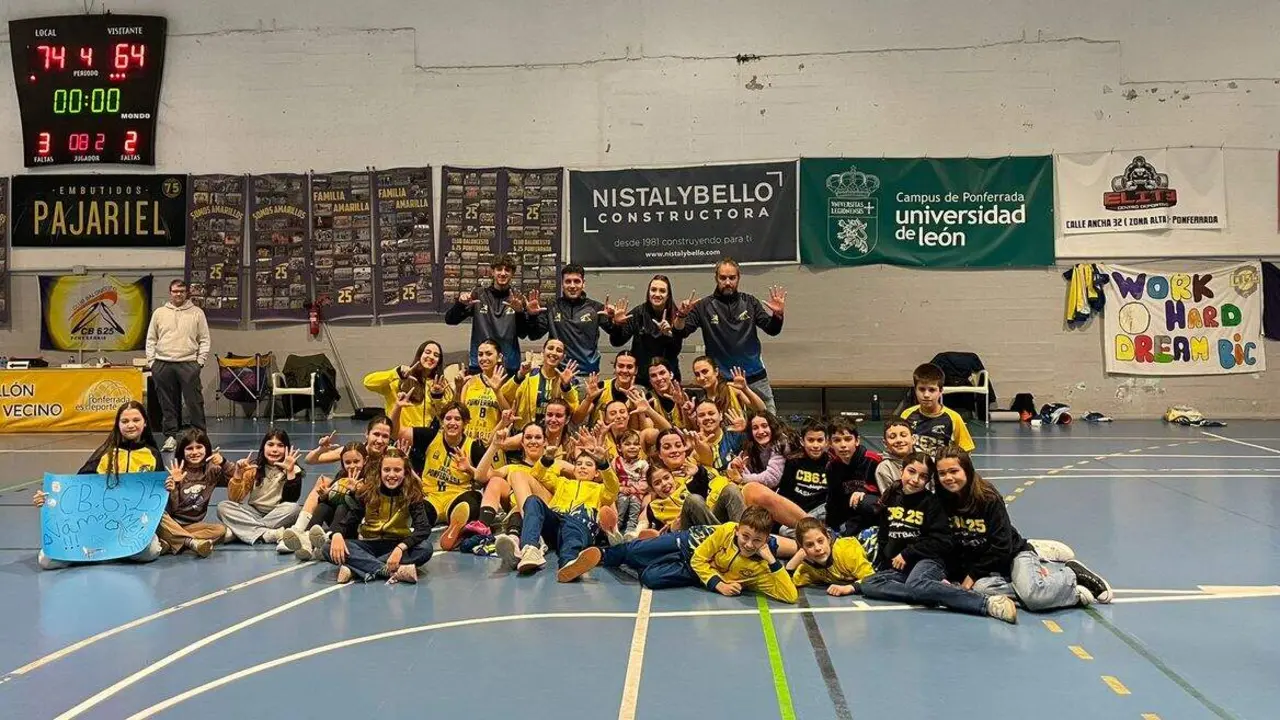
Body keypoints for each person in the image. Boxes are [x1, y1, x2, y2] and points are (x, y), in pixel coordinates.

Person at [934, 446, 1113, 609]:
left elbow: (1001, 545)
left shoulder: (988, 498)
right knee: (980, 590)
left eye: (953, 471)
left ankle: (1071, 577)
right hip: (987, 566)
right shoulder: (941, 501)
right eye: (942, 473)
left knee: (1033, 598)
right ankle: (1038, 583)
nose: (948, 478)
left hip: (1012, 553)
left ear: (967, 470)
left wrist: (972, 575)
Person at [857, 452, 1018, 623]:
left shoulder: (933, 502)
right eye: (911, 471)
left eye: (923, 476)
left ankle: (986, 603)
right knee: (869, 584)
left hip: (929, 560)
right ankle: (938, 591)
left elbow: (941, 540)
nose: (915, 479)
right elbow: (884, 534)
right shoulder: (892, 496)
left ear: (928, 480)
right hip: (904, 566)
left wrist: (909, 553)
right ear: (901, 470)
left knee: (917, 584)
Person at [30, 401, 164, 570]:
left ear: (145, 423)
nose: (131, 425)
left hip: (132, 526)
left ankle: (99, 553)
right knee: (46, 561)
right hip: (97, 525)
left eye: (136, 420)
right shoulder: (105, 453)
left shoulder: (152, 455)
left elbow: (157, 499)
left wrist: (170, 485)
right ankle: (106, 551)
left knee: (150, 552)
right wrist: (48, 499)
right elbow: (76, 489)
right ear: (117, 425)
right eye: (125, 421)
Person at [496, 434, 619, 582]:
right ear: (574, 469)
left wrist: (604, 464)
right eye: (579, 464)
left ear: (596, 473)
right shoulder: (562, 482)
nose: (582, 467)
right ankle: (530, 549)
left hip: (580, 524)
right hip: (555, 523)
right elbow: (536, 474)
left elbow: (613, 487)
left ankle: (569, 564)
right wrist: (547, 458)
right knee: (533, 501)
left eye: (588, 465)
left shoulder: (600, 490)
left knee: (572, 530)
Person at [675, 258, 786, 412]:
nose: (727, 282)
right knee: (730, 430)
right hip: (722, 383)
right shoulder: (704, 306)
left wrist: (778, 315)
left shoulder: (750, 302)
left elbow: (772, 329)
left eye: (732, 278)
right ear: (716, 278)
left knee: (768, 426)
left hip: (755, 378)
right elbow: (681, 332)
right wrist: (681, 316)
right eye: (723, 278)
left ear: (738, 278)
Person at [322, 448, 434, 584]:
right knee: (328, 547)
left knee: (425, 548)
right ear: (380, 471)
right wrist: (337, 534)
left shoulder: (412, 493)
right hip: (369, 543)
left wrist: (400, 548)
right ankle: (386, 570)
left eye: (397, 470)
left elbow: (423, 528)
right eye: (387, 470)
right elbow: (349, 520)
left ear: (405, 472)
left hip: (396, 544)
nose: (391, 475)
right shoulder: (367, 492)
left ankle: (356, 568)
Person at [146, 279, 211, 451]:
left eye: (181, 291)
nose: (178, 294)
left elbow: (204, 339)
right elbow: (151, 339)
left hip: (188, 363)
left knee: (194, 402)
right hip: (163, 363)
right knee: (167, 404)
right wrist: (152, 362)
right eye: (175, 291)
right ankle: (171, 437)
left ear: (187, 292)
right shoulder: (159, 313)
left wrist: (200, 361)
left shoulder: (197, 313)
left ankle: (200, 438)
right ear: (170, 293)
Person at [282, 442, 368, 561]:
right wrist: (325, 495)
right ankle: (307, 539)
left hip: (354, 524)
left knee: (342, 506)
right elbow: (329, 500)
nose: (352, 465)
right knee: (323, 505)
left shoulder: (368, 478)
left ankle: (328, 542)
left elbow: (365, 506)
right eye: (347, 462)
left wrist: (355, 492)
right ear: (342, 463)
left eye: (356, 461)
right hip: (338, 521)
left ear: (365, 460)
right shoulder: (341, 475)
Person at [217, 429, 304, 546]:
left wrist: (290, 473)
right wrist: (237, 474)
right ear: (263, 447)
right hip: (253, 512)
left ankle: (240, 532)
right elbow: (234, 499)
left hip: (277, 514)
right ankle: (265, 534)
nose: (274, 449)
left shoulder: (294, 469)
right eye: (270, 444)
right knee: (223, 506)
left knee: (294, 508)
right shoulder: (254, 468)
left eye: (280, 445)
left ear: (286, 449)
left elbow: (291, 499)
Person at [444, 254, 527, 375]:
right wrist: (460, 304)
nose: (503, 273)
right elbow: (450, 320)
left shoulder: (517, 299)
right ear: (492, 272)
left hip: (509, 366)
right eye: (499, 269)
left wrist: (520, 312)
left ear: (512, 274)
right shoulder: (479, 295)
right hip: (480, 365)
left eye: (507, 270)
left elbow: (524, 334)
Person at [523, 264, 608, 375]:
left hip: (587, 375)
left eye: (576, 281)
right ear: (562, 284)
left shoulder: (596, 308)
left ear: (583, 284)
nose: (572, 286)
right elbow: (534, 335)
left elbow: (617, 339)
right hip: (556, 373)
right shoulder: (552, 307)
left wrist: (615, 321)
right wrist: (532, 316)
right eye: (568, 281)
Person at [158, 429, 231, 557]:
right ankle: (192, 543)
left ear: (206, 449)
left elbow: (235, 479)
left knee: (221, 530)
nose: (195, 452)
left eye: (199, 447)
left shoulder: (212, 471)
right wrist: (174, 487)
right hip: (172, 522)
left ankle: (172, 542)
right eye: (189, 449)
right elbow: (173, 509)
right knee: (160, 516)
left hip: (193, 525)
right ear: (182, 451)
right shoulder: (176, 471)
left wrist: (224, 463)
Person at [606, 275, 685, 386]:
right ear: (648, 292)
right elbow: (616, 342)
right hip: (641, 379)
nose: (657, 294)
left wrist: (669, 335)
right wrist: (617, 325)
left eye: (662, 291)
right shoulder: (639, 313)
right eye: (653, 290)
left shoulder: (676, 316)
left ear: (668, 295)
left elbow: (675, 351)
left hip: (666, 379)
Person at [362, 340, 451, 428]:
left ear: (439, 361)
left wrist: (437, 397)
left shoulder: (440, 384)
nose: (431, 357)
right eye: (427, 352)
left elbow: (445, 415)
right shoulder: (398, 380)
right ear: (419, 355)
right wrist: (395, 373)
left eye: (436, 355)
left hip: (424, 437)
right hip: (398, 436)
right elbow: (368, 383)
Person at [787, 517, 875, 596]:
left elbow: (872, 579)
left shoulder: (846, 551)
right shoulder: (808, 567)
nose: (817, 548)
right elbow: (788, 586)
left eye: (820, 541)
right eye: (810, 545)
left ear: (828, 538)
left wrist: (850, 588)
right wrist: (790, 566)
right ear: (802, 547)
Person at [902, 362, 975, 456]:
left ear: (941, 391)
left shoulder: (954, 418)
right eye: (921, 389)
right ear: (915, 390)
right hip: (915, 469)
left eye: (932, 390)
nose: (926, 395)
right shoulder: (906, 415)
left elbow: (966, 451)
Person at [876, 419, 916, 493]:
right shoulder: (885, 468)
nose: (899, 440)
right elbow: (889, 499)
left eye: (903, 435)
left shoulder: (926, 461)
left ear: (913, 439)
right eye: (892, 437)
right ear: (885, 443)